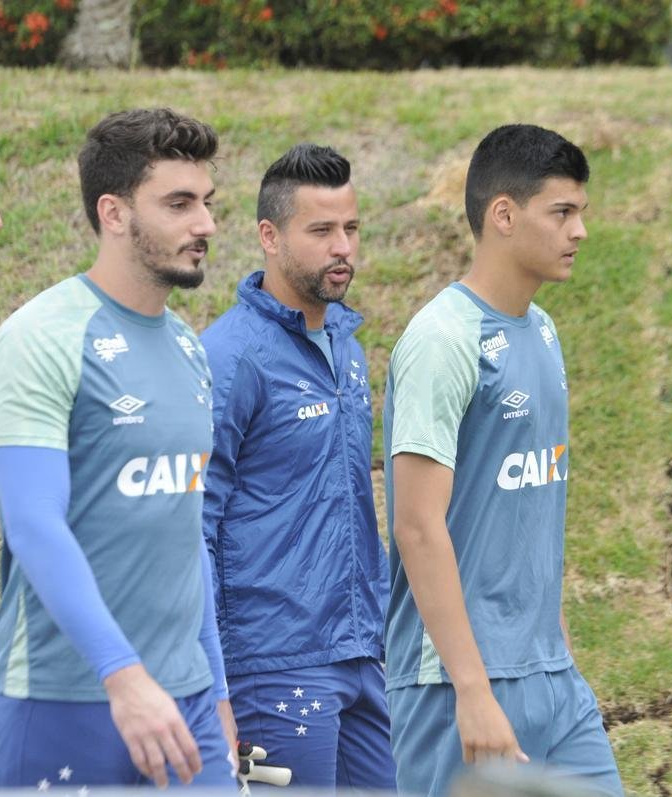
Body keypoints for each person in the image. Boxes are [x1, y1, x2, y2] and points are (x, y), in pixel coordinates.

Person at [0, 108, 235, 791]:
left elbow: (187, 538)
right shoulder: (42, 336)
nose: (205, 224)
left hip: (185, 703)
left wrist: (215, 690)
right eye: (179, 204)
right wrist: (122, 673)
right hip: (67, 698)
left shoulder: (188, 347)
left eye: (207, 203)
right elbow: (33, 525)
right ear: (114, 213)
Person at [383, 124, 623, 796]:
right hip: (456, 684)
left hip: (550, 676)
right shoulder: (442, 339)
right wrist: (474, 689)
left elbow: (532, 515)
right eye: (563, 213)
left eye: (582, 213)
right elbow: (417, 525)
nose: (579, 232)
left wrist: (561, 660)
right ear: (504, 215)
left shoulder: (543, 331)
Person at [200, 144, 395, 789]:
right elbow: (193, 527)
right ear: (269, 236)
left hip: (364, 651)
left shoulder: (348, 345)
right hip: (272, 665)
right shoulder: (230, 358)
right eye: (321, 231)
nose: (343, 247)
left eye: (351, 228)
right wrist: (212, 681)